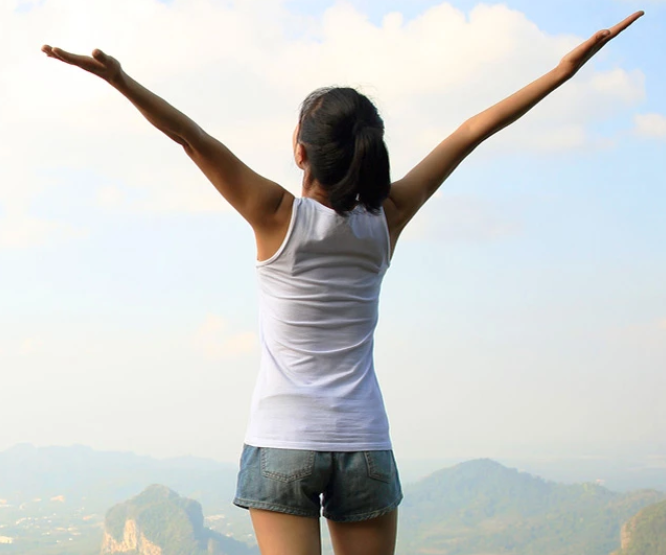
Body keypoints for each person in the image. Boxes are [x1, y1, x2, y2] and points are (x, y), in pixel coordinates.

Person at [42, 10, 643, 555]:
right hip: (365, 444)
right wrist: (562, 71)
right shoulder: (387, 219)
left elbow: (192, 140)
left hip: (283, 441)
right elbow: (469, 133)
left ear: (300, 151)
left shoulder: (276, 214)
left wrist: (120, 81)